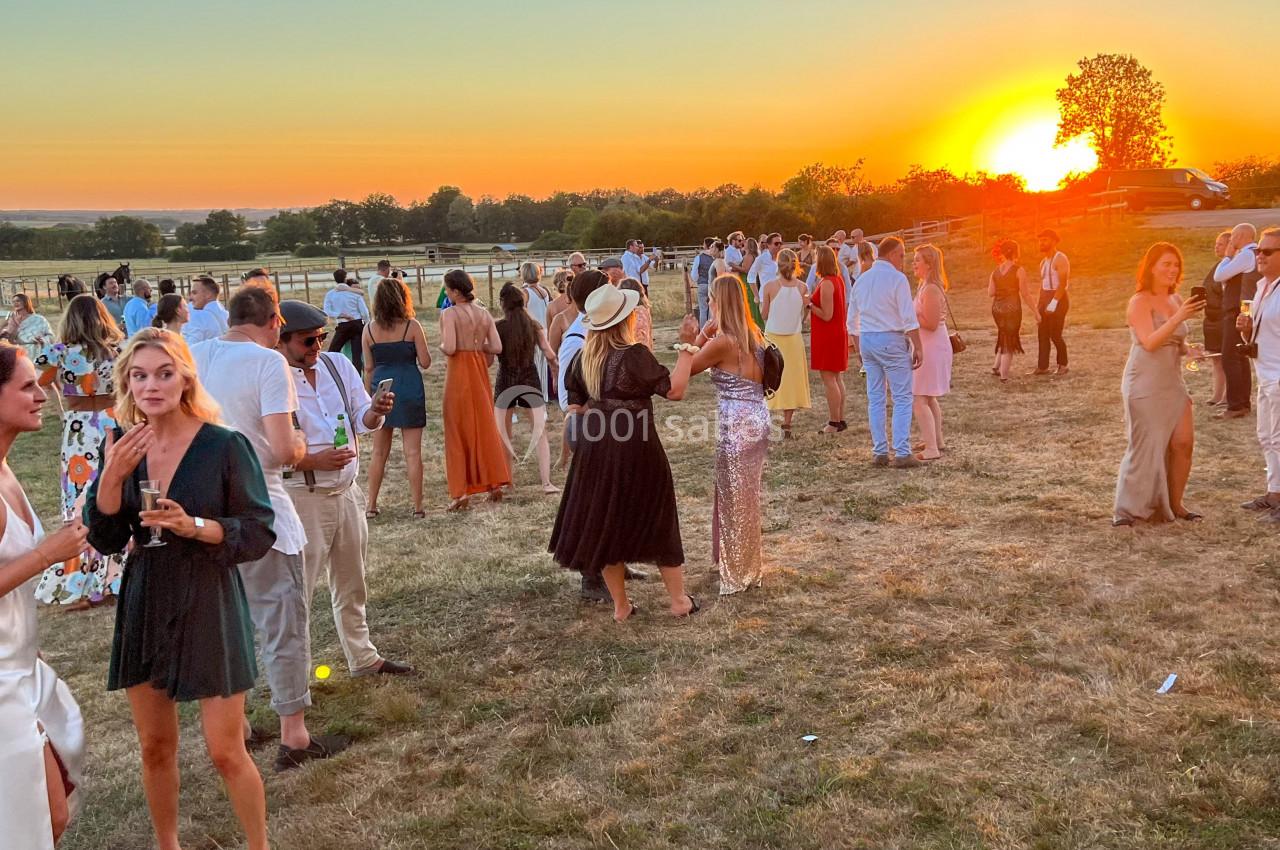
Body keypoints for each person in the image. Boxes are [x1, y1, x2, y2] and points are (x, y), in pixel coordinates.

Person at [85, 329, 274, 849]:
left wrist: (196, 525)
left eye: (164, 373)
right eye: (140, 375)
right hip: (147, 594)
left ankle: (259, 845)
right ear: (126, 382)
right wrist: (111, 477)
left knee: (225, 750)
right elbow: (105, 538)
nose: (152, 385)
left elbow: (258, 529)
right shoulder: (124, 444)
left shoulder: (224, 445)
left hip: (208, 596)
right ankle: (167, 844)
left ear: (186, 376)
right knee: (155, 747)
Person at [191, 285, 347, 772]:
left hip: (204, 510)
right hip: (261, 504)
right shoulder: (267, 363)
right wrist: (301, 441)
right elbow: (281, 449)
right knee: (281, 618)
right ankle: (294, 735)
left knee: (224, 622)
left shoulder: (194, 354)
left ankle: (235, 726)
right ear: (275, 321)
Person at [276, 300, 413, 677]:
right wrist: (312, 461)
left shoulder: (337, 365)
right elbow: (265, 449)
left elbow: (362, 418)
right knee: (297, 592)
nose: (317, 346)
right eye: (308, 341)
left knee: (353, 582)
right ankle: (295, 677)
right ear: (280, 341)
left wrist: (377, 409)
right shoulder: (274, 380)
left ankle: (363, 657)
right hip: (302, 497)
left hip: (346, 491)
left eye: (321, 337)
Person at [550, 285, 700, 622]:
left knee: (607, 522)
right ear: (625, 319)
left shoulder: (581, 358)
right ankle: (679, 601)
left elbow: (573, 406)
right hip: (637, 448)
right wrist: (688, 346)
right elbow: (674, 390)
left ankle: (621, 607)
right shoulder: (633, 355)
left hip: (596, 451)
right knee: (658, 518)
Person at [0, 342, 89, 850]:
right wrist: (46, 553)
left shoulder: (7, 468)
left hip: (18, 667)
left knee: (51, 816)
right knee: (25, 826)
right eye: (27, 386)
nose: (42, 393)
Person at [670, 276, 769, 595]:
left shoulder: (724, 340)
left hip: (737, 424)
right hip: (757, 416)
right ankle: (745, 565)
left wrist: (694, 336)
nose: (708, 303)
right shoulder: (753, 334)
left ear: (718, 302)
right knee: (745, 495)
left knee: (734, 497)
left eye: (711, 299)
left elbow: (687, 367)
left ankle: (739, 572)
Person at [33, 295, 125, 609]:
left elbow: (39, 383)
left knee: (79, 502)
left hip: (79, 430)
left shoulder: (57, 353)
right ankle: (115, 577)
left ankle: (83, 581)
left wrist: (61, 400)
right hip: (113, 423)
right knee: (114, 497)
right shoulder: (119, 350)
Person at [1112, 243, 1205, 526]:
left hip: (1172, 380)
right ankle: (1127, 511)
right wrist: (1180, 317)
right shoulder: (1139, 301)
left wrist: (1189, 349)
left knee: (1183, 443)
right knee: (1145, 446)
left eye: (1175, 264)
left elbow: (1175, 339)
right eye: (1166, 264)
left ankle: (1175, 504)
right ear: (1151, 267)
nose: (1172, 270)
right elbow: (1150, 342)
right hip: (1144, 381)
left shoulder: (1177, 299)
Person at [848, 237, 924, 468]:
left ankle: (880, 450)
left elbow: (851, 319)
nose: (903, 261)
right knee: (901, 396)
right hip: (890, 337)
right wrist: (918, 345)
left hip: (868, 338)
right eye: (901, 255)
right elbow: (908, 317)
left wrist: (858, 344)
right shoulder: (896, 279)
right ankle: (902, 451)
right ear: (892, 254)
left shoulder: (861, 279)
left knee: (876, 398)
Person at [439, 270, 510, 511]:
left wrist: (444, 344)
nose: (446, 293)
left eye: (447, 289)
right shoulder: (484, 313)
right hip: (479, 372)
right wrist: (478, 346)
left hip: (459, 372)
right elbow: (497, 347)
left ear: (456, 291)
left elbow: (449, 347)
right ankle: (493, 483)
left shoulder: (450, 314)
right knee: (483, 426)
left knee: (457, 429)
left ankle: (460, 492)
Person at [362, 276, 430, 518]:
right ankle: (418, 507)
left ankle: (371, 505)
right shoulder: (412, 326)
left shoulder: (369, 329)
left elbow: (368, 368)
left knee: (379, 452)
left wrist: (366, 398)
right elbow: (425, 362)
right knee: (413, 453)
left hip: (381, 388)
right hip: (409, 386)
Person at [493, 283, 559, 494]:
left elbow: (489, 356)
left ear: (503, 303)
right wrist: (556, 372)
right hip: (529, 378)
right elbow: (549, 354)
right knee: (540, 432)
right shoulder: (534, 326)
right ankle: (546, 482)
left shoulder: (498, 327)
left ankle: (508, 481)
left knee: (505, 433)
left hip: (506, 380)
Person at [1236, 227, 1280, 521]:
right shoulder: (1262, 286)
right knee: (1266, 436)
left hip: (1278, 373)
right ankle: (1274, 493)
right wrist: (1247, 328)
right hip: (1264, 371)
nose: (1259, 256)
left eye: (1267, 251)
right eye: (1258, 251)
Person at [760, 248, 811, 438]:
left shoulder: (770, 287)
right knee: (791, 380)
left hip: (773, 337)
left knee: (768, 377)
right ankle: (787, 423)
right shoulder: (803, 287)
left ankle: (766, 420)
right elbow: (806, 310)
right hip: (793, 338)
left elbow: (764, 314)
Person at [911, 245, 954, 461]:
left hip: (932, 346)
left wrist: (908, 316)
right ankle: (936, 439)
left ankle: (932, 449)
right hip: (927, 345)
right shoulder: (923, 286)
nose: (914, 264)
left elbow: (931, 323)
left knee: (919, 398)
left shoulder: (931, 289)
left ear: (929, 264)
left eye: (918, 260)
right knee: (928, 397)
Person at [1215, 223, 1260, 419]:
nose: (1231, 240)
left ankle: (1235, 406)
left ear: (1240, 236)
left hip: (1237, 311)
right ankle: (1242, 403)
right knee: (1240, 357)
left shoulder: (1247, 253)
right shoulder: (1256, 253)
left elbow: (1219, 275)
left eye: (1233, 237)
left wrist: (1228, 254)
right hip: (1245, 310)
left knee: (1230, 357)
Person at [810, 246, 850, 434]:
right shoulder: (837, 280)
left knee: (829, 378)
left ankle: (834, 422)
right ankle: (840, 418)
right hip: (836, 332)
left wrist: (809, 305)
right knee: (836, 377)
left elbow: (827, 314)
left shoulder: (827, 283)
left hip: (828, 334)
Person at [988, 240, 1036, 382]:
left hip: (997, 309)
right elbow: (1025, 294)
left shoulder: (995, 271)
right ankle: (1004, 376)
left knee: (1003, 334)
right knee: (1009, 339)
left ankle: (996, 367)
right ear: (1016, 252)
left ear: (1002, 253)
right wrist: (1036, 312)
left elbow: (990, 293)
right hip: (1012, 309)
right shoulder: (1018, 270)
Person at [1033, 230, 1070, 375]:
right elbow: (1043, 285)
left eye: (1045, 240)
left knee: (1055, 334)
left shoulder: (1060, 258)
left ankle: (1063, 364)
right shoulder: (1043, 262)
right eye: (1040, 240)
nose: (1041, 243)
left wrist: (1054, 302)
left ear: (1054, 241)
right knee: (1042, 334)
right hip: (1044, 297)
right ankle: (1043, 367)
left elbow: (1062, 284)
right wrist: (1038, 306)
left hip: (1059, 298)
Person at [1202, 231, 1231, 406]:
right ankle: (1217, 395)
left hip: (1222, 318)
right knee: (1216, 360)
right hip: (1211, 318)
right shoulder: (1218, 266)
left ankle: (1228, 395)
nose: (1216, 246)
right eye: (1216, 243)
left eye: (1220, 243)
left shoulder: (1231, 268)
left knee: (1227, 359)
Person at [519, 262, 554, 402]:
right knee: (542, 365)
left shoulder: (525, 292)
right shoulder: (544, 289)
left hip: (532, 332)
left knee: (531, 365)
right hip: (545, 331)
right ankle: (543, 395)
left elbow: (521, 311)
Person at [324, 269, 370, 374]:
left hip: (343, 325)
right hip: (357, 324)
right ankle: (358, 376)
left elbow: (327, 311)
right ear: (345, 278)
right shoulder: (355, 293)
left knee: (332, 351)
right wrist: (367, 325)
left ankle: (330, 372)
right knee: (357, 355)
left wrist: (340, 314)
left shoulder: (330, 294)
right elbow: (364, 313)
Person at [1, 293, 53, 362]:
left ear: (25, 302)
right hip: (20, 355)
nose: (15, 303)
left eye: (18, 301)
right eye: (13, 302)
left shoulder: (39, 319)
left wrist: (43, 340)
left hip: (37, 353)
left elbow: (51, 336)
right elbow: (11, 341)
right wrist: (13, 326)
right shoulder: (12, 320)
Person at [745, 233, 781, 328]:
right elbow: (750, 277)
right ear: (768, 245)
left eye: (780, 243)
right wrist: (756, 295)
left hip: (781, 297)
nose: (779, 246)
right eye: (776, 243)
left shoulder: (783, 258)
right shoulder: (761, 259)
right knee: (769, 327)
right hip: (765, 299)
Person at [183, 275, 226, 346]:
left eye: (194, 293)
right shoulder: (226, 314)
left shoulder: (200, 316)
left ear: (208, 295)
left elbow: (190, 349)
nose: (190, 298)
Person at [689, 237, 719, 326]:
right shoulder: (715, 257)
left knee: (703, 310)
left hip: (702, 284)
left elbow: (694, 274)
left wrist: (698, 279)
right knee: (712, 310)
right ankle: (712, 331)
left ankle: (703, 331)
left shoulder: (699, 258)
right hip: (713, 285)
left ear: (705, 245)